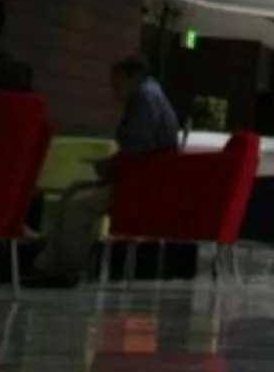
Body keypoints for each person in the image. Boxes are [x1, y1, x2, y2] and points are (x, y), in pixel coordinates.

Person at [32, 56, 180, 285]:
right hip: (143, 178)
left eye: (117, 85)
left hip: (139, 183)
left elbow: (137, 148)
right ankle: (49, 264)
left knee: (78, 205)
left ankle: (66, 269)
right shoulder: (153, 95)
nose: (114, 93)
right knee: (72, 192)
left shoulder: (143, 99)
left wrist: (111, 166)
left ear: (134, 78)